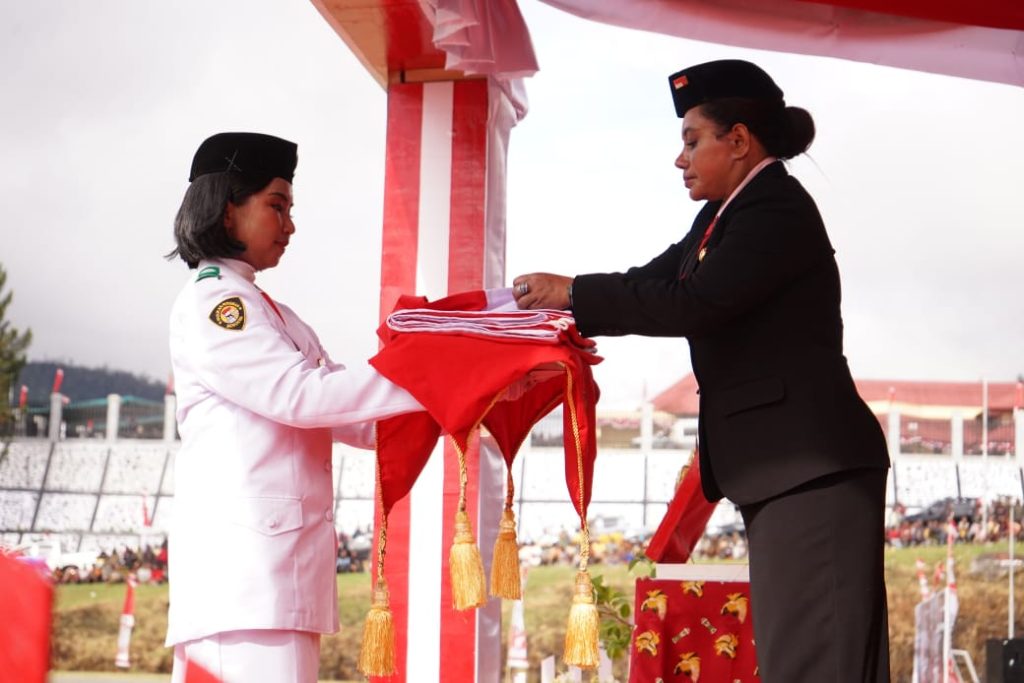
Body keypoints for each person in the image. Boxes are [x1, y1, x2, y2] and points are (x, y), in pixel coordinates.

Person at [513, 60, 890, 682]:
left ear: (738, 141)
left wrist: (572, 292)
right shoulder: (722, 218)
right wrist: (555, 306)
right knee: (808, 659)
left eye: (693, 140)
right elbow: (648, 282)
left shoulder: (775, 210)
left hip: (810, 470)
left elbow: (696, 302)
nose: (680, 159)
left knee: (814, 663)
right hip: (784, 471)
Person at [164, 132, 424, 683]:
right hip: (242, 584)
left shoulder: (274, 313)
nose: (290, 225)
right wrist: (428, 376)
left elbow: (353, 417)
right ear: (226, 209)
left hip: (272, 581)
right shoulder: (216, 303)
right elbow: (301, 397)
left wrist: (471, 397)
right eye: (275, 205)